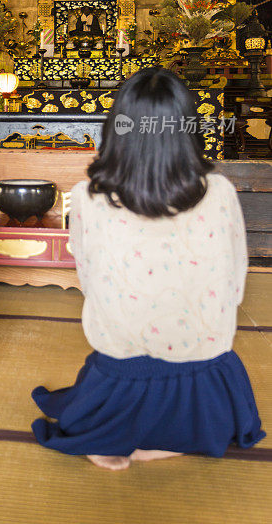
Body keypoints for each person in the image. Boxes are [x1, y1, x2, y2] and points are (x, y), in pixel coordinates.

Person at [31, 67, 264, 469]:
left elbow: (88, 274)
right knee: (204, 360)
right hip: (202, 356)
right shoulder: (220, 191)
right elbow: (235, 274)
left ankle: (112, 430)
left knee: (118, 354)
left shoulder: (89, 196)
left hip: (120, 359)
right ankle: (180, 434)